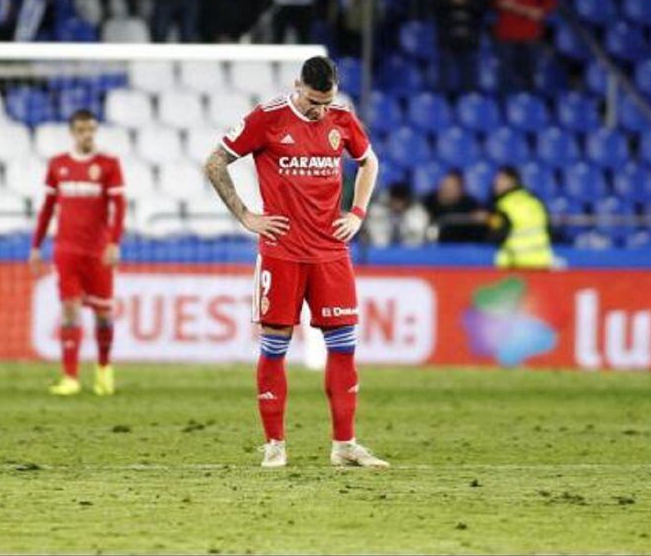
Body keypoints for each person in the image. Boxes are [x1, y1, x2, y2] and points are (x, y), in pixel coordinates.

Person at [204, 56, 388, 469]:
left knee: (343, 347)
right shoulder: (267, 118)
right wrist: (246, 216)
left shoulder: (341, 118)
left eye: (326, 102)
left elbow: (369, 162)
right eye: (312, 101)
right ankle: (275, 446)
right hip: (281, 253)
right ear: (296, 86)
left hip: (331, 253)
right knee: (275, 348)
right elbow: (215, 162)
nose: (319, 110)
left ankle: (345, 445)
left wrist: (357, 213)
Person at [31, 109, 126, 397]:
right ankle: (70, 377)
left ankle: (104, 369)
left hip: (97, 251)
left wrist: (113, 243)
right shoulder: (58, 165)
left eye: (91, 130)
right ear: (73, 132)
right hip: (66, 249)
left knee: (102, 313)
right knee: (69, 309)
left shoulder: (109, 164)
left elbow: (119, 208)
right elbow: (47, 209)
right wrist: (36, 246)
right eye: (82, 130)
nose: (87, 135)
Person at [488, 0, 556, 92]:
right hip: (506, 33)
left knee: (529, 78)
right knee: (504, 79)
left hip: (530, 34)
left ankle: (530, 108)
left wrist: (541, 11)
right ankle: (505, 110)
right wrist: (498, 3)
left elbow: (549, 1)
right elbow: (487, 0)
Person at [436, 0, 485, 92]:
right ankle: (445, 106)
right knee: (445, 78)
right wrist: (450, 1)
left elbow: (482, 7)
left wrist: (465, 1)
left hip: (470, 35)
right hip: (448, 35)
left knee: (469, 77)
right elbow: (435, 6)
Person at [489, 165, 553, 270]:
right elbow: (549, 228)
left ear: (512, 181)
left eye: (501, 179)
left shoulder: (503, 205)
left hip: (516, 264)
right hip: (542, 263)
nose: (496, 184)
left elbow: (497, 235)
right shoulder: (534, 200)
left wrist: (487, 220)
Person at [425, 169, 486, 243]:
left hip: (463, 247)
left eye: (452, 186)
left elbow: (482, 218)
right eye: (445, 185)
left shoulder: (470, 204)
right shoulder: (428, 201)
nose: (447, 189)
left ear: (461, 189)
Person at [365, 182, 429, 246]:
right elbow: (372, 234)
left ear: (406, 201)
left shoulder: (417, 213)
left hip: (410, 251)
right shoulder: (377, 211)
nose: (397, 204)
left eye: (400, 201)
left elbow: (419, 235)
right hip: (381, 250)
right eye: (395, 200)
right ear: (390, 199)